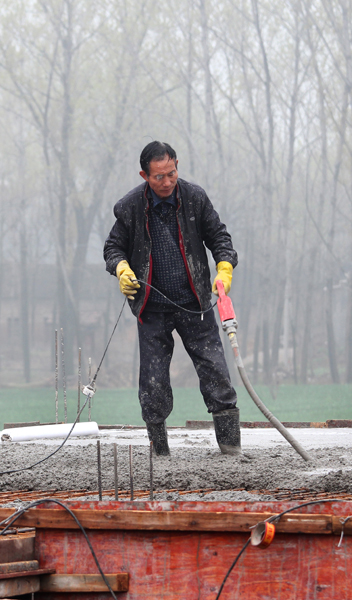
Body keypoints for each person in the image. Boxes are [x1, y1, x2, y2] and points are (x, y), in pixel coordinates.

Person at [103, 141, 240, 456]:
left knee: (216, 372)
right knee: (153, 384)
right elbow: (113, 248)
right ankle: (159, 452)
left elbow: (220, 237)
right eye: (158, 177)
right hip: (151, 309)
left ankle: (231, 451)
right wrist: (121, 269)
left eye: (172, 173)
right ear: (144, 175)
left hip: (196, 305)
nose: (167, 182)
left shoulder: (194, 198)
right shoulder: (130, 207)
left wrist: (224, 268)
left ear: (177, 165)